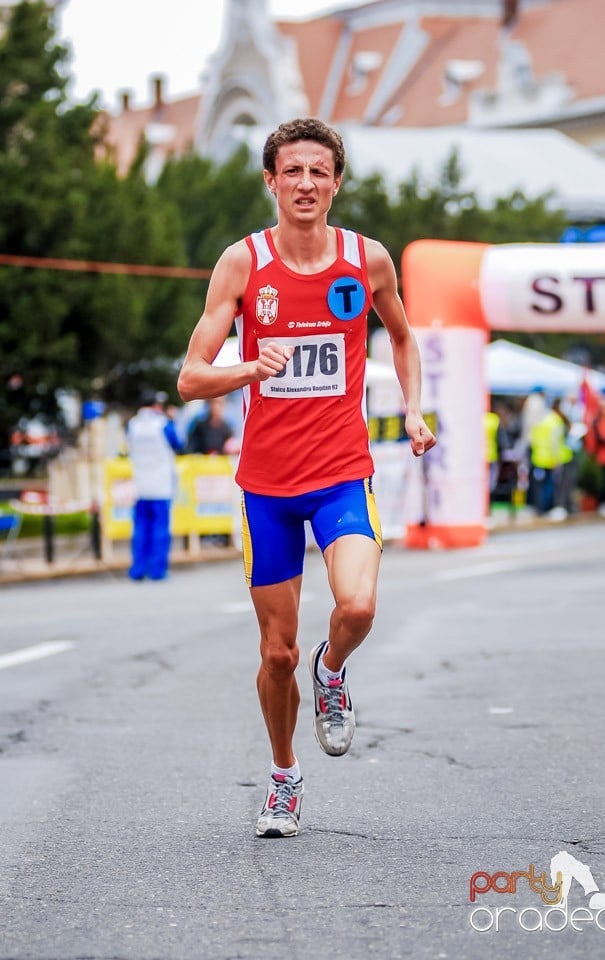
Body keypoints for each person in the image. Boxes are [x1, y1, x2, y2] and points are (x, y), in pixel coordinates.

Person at [177, 117, 436, 838]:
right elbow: (189, 377)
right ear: (270, 181)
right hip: (267, 486)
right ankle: (284, 778)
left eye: (319, 172)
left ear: (336, 182)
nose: (306, 184)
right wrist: (245, 368)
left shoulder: (367, 259)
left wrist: (415, 410)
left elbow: (405, 338)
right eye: (292, 172)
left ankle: (332, 674)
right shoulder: (242, 264)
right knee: (274, 651)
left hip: (341, 475)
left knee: (356, 608)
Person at [126, 389, 183, 581]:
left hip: (141, 484)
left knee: (140, 528)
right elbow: (178, 444)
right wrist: (172, 419)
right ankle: (157, 570)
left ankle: (137, 569)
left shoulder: (132, 425)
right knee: (160, 529)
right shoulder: (164, 424)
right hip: (161, 484)